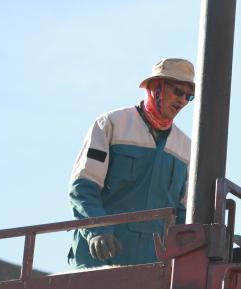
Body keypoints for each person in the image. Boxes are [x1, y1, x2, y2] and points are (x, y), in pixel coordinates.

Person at [68, 58, 195, 268]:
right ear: (156, 88)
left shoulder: (185, 148)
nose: (182, 101)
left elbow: (182, 213)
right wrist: (97, 231)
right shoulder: (111, 124)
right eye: (177, 91)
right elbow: (83, 186)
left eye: (188, 96)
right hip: (100, 259)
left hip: (153, 266)